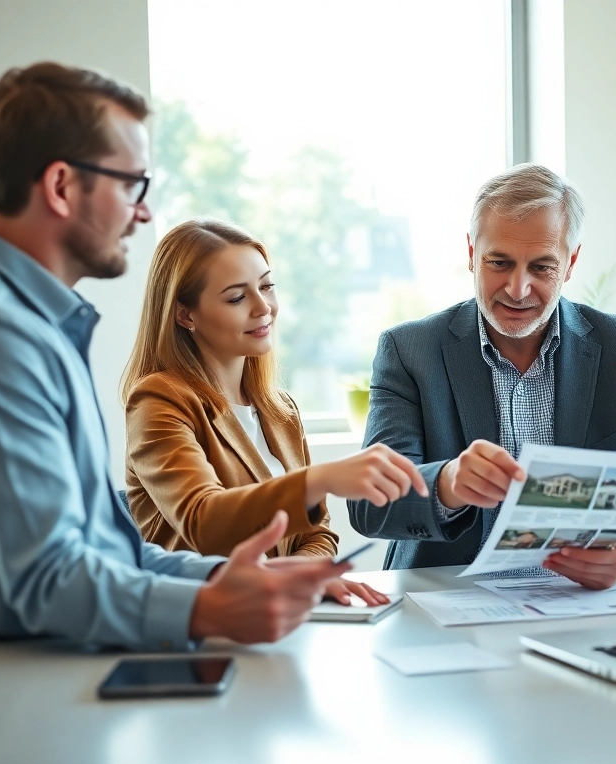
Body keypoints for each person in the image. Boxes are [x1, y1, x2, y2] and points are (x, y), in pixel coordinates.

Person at [0, 62, 348, 650]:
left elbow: (107, 552)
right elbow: (52, 580)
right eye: (130, 185)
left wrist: (233, 577)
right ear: (63, 186)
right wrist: (210, 608)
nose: (142, 212)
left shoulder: (29, 325)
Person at [348, 163, 616, 589]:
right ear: (472, 253)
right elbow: (369, 507)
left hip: (585, 603)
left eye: (542, 267)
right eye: (500, 262)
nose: (517, 288)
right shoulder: (410, 351)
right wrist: (449, 485)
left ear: (570, 263)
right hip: (449, 603)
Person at [122, 218, 427, 607]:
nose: (263, 307)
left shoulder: (278, 410)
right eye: (237, 298)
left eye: (266, 286)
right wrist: (321, 479)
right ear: (185, 315)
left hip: (278, 618)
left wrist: (301, 576)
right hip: (200, 623)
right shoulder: (158, 400)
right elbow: (204, 523)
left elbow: (318, 535)